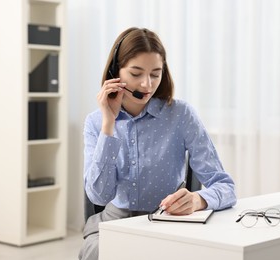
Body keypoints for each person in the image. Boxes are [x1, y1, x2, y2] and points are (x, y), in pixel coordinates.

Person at [79, 27, 237, 260]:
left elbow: (225, 187)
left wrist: (198, 199)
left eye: (155, 74)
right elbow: (99, 197)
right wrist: (108, 125)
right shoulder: (96, 123)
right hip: (115, 224)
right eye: (136, 73)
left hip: (168, 223)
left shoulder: (181, 115)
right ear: (116, 72)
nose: (146, 85)